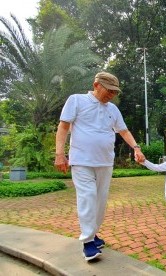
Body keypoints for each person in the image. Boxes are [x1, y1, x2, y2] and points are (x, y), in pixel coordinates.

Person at [54, 72, 145, 261]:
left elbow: (123, 130)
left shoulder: (112, 109)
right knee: (87, 198)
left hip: (105, 162)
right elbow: (63, 127)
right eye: (109, 90)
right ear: (96, 85)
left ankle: (93, 234)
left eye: (114, 92)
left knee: (100, 202)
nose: (112, 94)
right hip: (82, 161)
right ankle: (88, 242)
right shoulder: (77, 100)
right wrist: (60, 154)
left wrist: (136, 148)